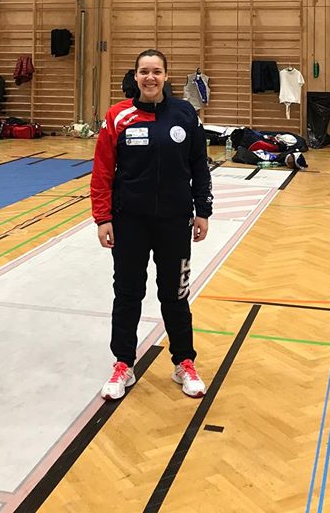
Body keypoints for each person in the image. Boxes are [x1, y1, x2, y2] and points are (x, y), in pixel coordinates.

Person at [91, 49, 213, 401]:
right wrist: (103, 218)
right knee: (128, 293)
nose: (150, 78)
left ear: (165, 76)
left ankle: (184, 362)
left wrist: (202, 210)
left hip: (175, 222)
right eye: (144, 71)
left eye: (156, 71)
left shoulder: (185, 114)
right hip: (129, 222)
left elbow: (199, 165)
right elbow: (102, 171)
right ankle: (123, 364)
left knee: (175, 294)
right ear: (135, 76)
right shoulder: (118, 116)